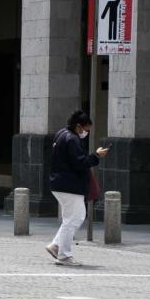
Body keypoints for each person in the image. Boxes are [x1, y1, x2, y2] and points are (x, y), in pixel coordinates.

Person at [45, 110, 109, 266]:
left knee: (71, 218)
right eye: (86, 130)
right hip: (69, 185)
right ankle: (64, 254)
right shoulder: (72, 139)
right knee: (76, 217)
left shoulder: (61, 134)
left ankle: (56, 246)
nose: (86, 133)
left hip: (60, 183)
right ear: (79, 126)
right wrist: (96, 156)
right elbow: (80, 163)